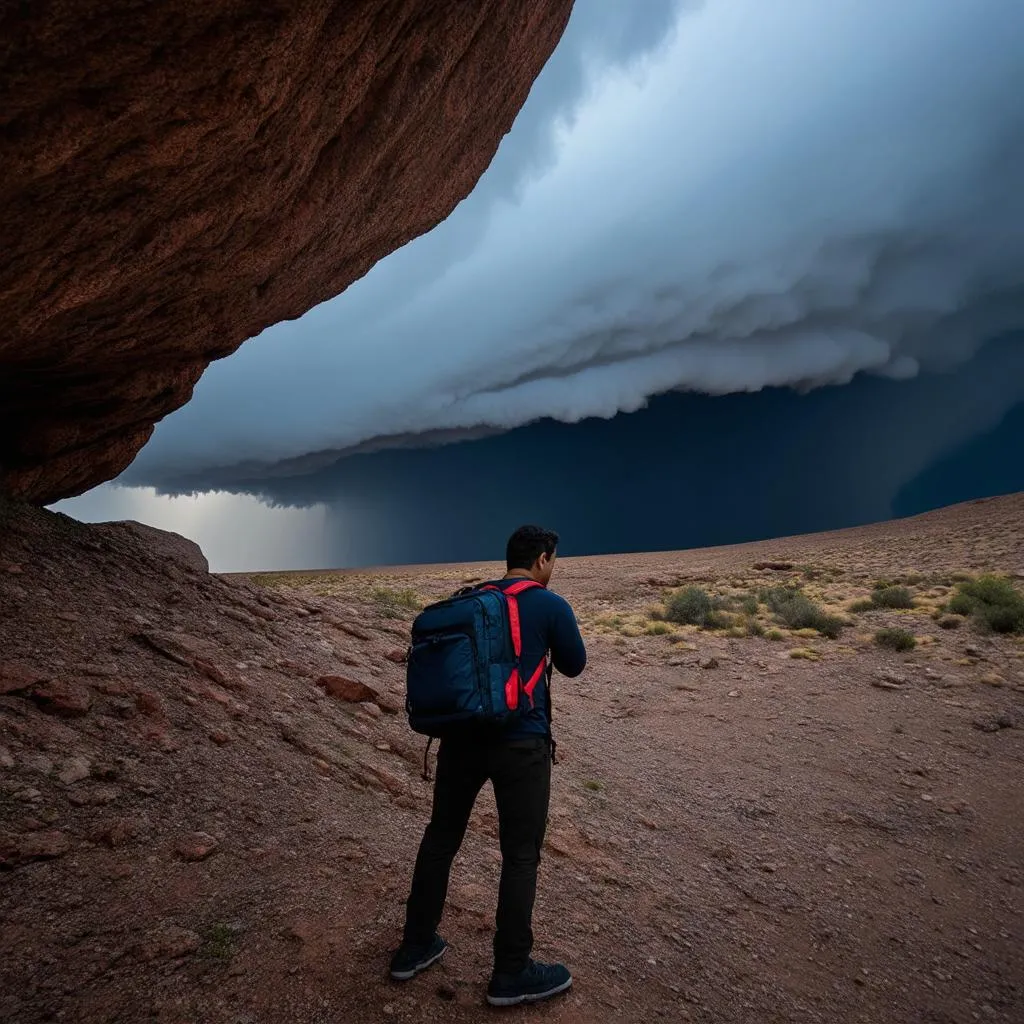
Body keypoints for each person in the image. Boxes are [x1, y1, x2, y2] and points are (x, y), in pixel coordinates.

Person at [389, 525, 587, 1007]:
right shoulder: (548, 603)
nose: (553, 568)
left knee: (441, 839)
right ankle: (511, 971)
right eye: (553, 560)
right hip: (522, 745)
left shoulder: (476, 598)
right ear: (543, 559)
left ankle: (414, 947)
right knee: (520, 855)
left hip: (461, 740)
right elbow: (575, 664)